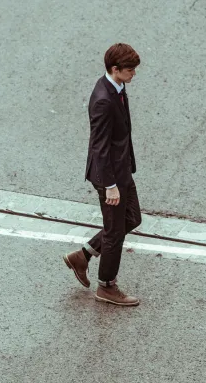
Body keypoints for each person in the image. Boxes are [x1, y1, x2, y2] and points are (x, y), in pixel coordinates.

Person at [64, 43, 142, 306]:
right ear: (115, 69)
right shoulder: (103, 100)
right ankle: (106, 286)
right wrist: (110, 185)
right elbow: (99, 146)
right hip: (109, 176)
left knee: (132, 218)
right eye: (130, 70)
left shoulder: (117, 87)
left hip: (121, 170)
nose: (134, 74)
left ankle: (83, 255)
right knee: (114, 233)